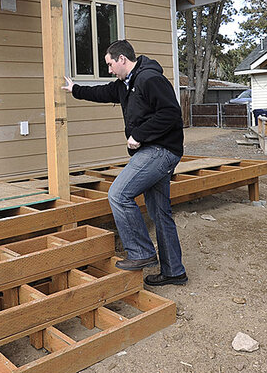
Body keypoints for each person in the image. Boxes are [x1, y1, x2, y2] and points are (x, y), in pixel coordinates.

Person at [62, 40, 187, 286]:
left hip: (160, 151)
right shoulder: (125, 84)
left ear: (122, 59)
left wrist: (139, 135)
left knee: (118, 194)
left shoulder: (149, 79)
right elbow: (101, 93)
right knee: (160, 213)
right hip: (154, 151)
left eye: (110, 64)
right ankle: (174, 272)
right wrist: (75, 89)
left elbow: (171, 113)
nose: (109, 70)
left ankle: (141, 252)